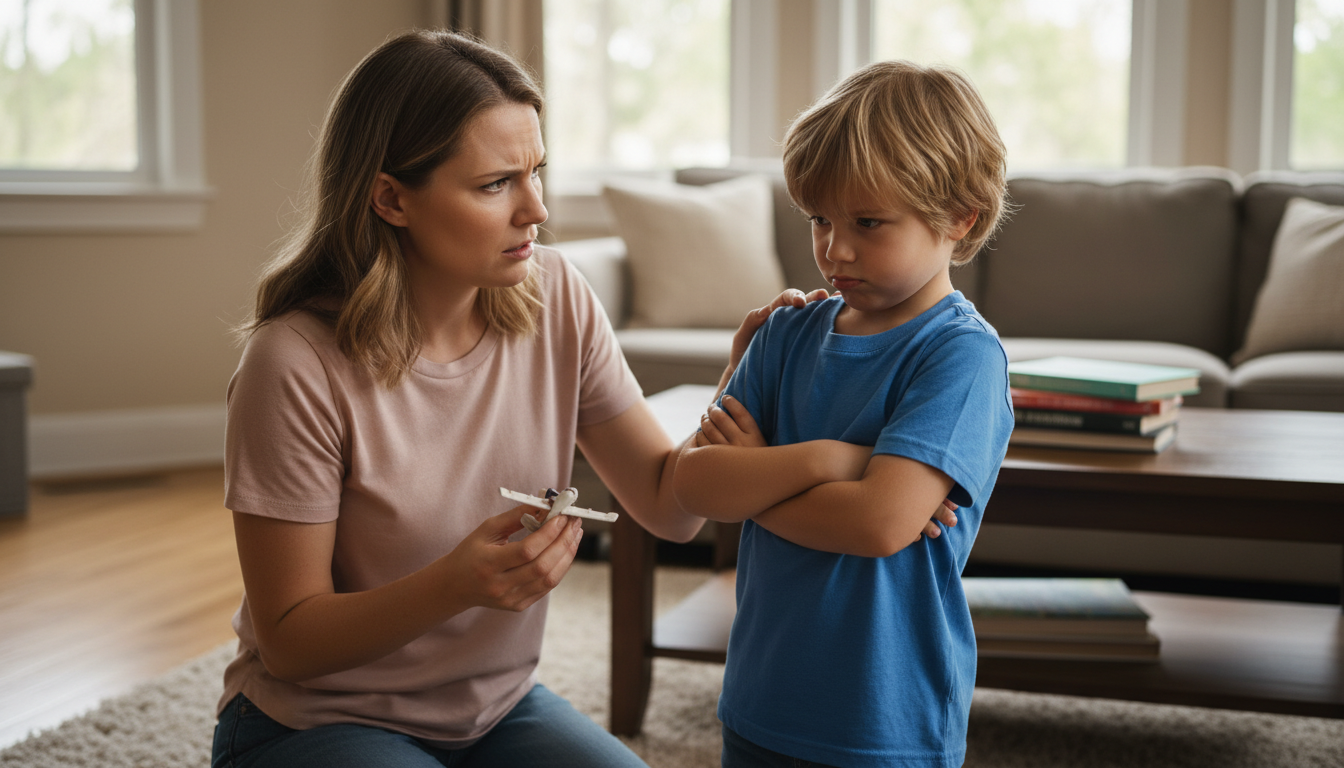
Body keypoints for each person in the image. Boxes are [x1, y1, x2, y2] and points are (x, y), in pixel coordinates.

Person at [209, 29, 841, 768]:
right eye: (494, 184)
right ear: (390, 198)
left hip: (493, 713)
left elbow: (671, 506)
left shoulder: (556, 295)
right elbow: (288, 643)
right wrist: (452, 586)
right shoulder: (293, 363)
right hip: (313, 722)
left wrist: (747, 378)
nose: (535, 210)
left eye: (535, 172)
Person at [672, 60, 1015, 768]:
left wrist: (756, 478)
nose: (836, 248)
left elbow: (877, 524)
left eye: (867, 222)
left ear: (959, 218)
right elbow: (694, 487)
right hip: (761, 699)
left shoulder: (961, 357)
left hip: (883, 721)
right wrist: (831, 460)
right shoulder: (787, 331)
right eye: (819, 219)